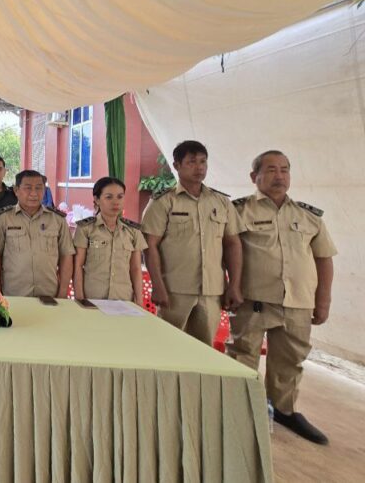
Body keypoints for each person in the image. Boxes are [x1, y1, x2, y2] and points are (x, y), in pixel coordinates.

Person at [229, 151, 336, 445]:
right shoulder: (239, 211)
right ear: (255, 176)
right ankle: (238, 409)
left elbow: (324, 258)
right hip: (253, 300)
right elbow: (225, 252)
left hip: (297, 302)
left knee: (290, 360)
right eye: (272, 170)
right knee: (243, 355)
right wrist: (231, 286)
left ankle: (284, 410)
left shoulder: (309, 216)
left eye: (285, 170)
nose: (279, 176)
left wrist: (323, 301)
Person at [142, 140, 243, 345]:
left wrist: (234, 285)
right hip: (174, 290)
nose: (199, 167)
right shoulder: (164, 201)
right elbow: (150, 246)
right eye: (191, 162)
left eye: (203, 161)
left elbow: (232, 244)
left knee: (204, 348)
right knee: (168, 345)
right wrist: (157, 285)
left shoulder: (221, 202)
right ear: (177, 165)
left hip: (211, 291)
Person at [0, 170, 73, 298]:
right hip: (14, 295)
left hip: (49, 294)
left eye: (39, 188)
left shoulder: (58, 220)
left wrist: (62, 292)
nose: (34, 193)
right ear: (16, 190)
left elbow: (66, 256)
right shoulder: (2, 219)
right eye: (28, 188)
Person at [73, 177, 147, 302]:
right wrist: (80, 298)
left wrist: (139, 301)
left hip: (123, 299)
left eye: (120, 197)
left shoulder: (133, 231)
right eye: (109, 197)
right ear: (97, 199)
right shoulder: (85, 229)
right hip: (93, 299)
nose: (115, 202)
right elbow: (78, 265)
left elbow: (135, 268)